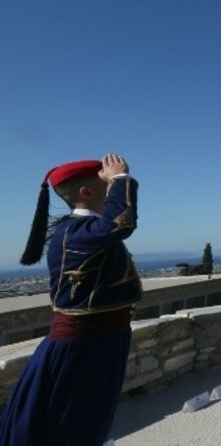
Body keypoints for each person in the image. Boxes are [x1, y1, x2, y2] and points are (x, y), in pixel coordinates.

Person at [0, 155, 142, 445]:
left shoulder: (85, 233)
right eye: (106, 185)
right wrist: (120, 178)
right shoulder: (75, 234)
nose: (112, 192)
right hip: (82, 350)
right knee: (71, 429)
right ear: (85, 193)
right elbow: (121, 222)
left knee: (88, 425)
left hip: (101, 344)